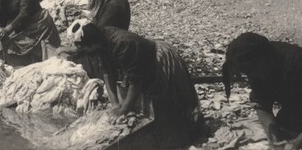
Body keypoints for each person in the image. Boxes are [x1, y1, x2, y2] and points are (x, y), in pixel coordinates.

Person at [71, 22, 206, 148]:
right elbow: (107, 73)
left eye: (84, 47)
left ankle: (191, 132)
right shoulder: (100, 45)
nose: (85, 51)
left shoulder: (121, 43)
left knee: (173, 96)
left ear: (91, 43)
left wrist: (123, 110)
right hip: (143, 62)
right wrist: (115, 104)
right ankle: (171, 133)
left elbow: (135, 81)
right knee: (157, 100)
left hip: (158, 58)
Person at [61, 0, 132, 78]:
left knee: (66, 61)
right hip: (108, 47)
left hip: (110, 55)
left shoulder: (114, 6)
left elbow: (98, 36)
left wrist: (76, 49)